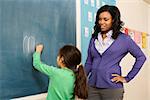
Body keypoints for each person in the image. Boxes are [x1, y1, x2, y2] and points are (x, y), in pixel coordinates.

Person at [84, 5, 146, 100]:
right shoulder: (94, 38)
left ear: (113, 20)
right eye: (100, 19)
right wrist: (82, 79)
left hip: (112, 88)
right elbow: (89, 62)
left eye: (105, 19)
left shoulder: (124, 39)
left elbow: (141, 57)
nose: (101, 22)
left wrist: (127, 78)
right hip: (92, 87)